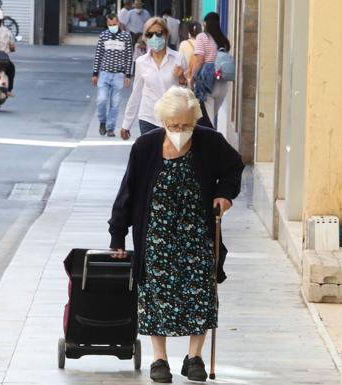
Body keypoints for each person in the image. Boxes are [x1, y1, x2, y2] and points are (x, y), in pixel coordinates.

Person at [109, 86, 245, 384]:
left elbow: (234, 167)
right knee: (156, 297)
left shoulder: (210, 141)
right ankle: (160, 359)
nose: (181, 131)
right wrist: (117, 236)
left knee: (201, 296)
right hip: (156, 238)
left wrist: (224, 195)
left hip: (197, 237)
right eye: (174, 126)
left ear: (195, 120)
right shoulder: (145, 147)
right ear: (163, 122)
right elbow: (128, 193)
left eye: (186, 125)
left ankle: (194, 357)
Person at [121, 17, 187, 139]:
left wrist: (182, 78)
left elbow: (188, 92)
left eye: (158, 33)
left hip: (172, 119)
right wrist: (126, 124)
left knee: (169, 157)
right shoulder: (141, 62)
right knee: (150, 156)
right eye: (150, 34)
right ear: (145, 37)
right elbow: (136, 93)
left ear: (166, 34)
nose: (154, 38)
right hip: (148, 117)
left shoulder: (178, 59)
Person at [92, 14, 133, 137]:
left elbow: (129, 57)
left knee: (115, 103)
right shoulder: (104, 35)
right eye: (110, 25)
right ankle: (102, 121)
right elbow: (98, 54)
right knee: (101, 100)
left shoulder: (126, 36)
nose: (112, 27)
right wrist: (95, 73)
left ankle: (110, 128)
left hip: (118, 75)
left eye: (114, 24)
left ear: (118, 22)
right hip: (104, 74)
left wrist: (127, 76)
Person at [191, 12, 231, 131]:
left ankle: (209, 144)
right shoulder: (223, 40)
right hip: (222, 82)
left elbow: (199, 60)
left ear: (206, 23)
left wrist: (192, 77)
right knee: (212, 117)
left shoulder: (202, 37)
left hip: (208, 81)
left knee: (206, 119)